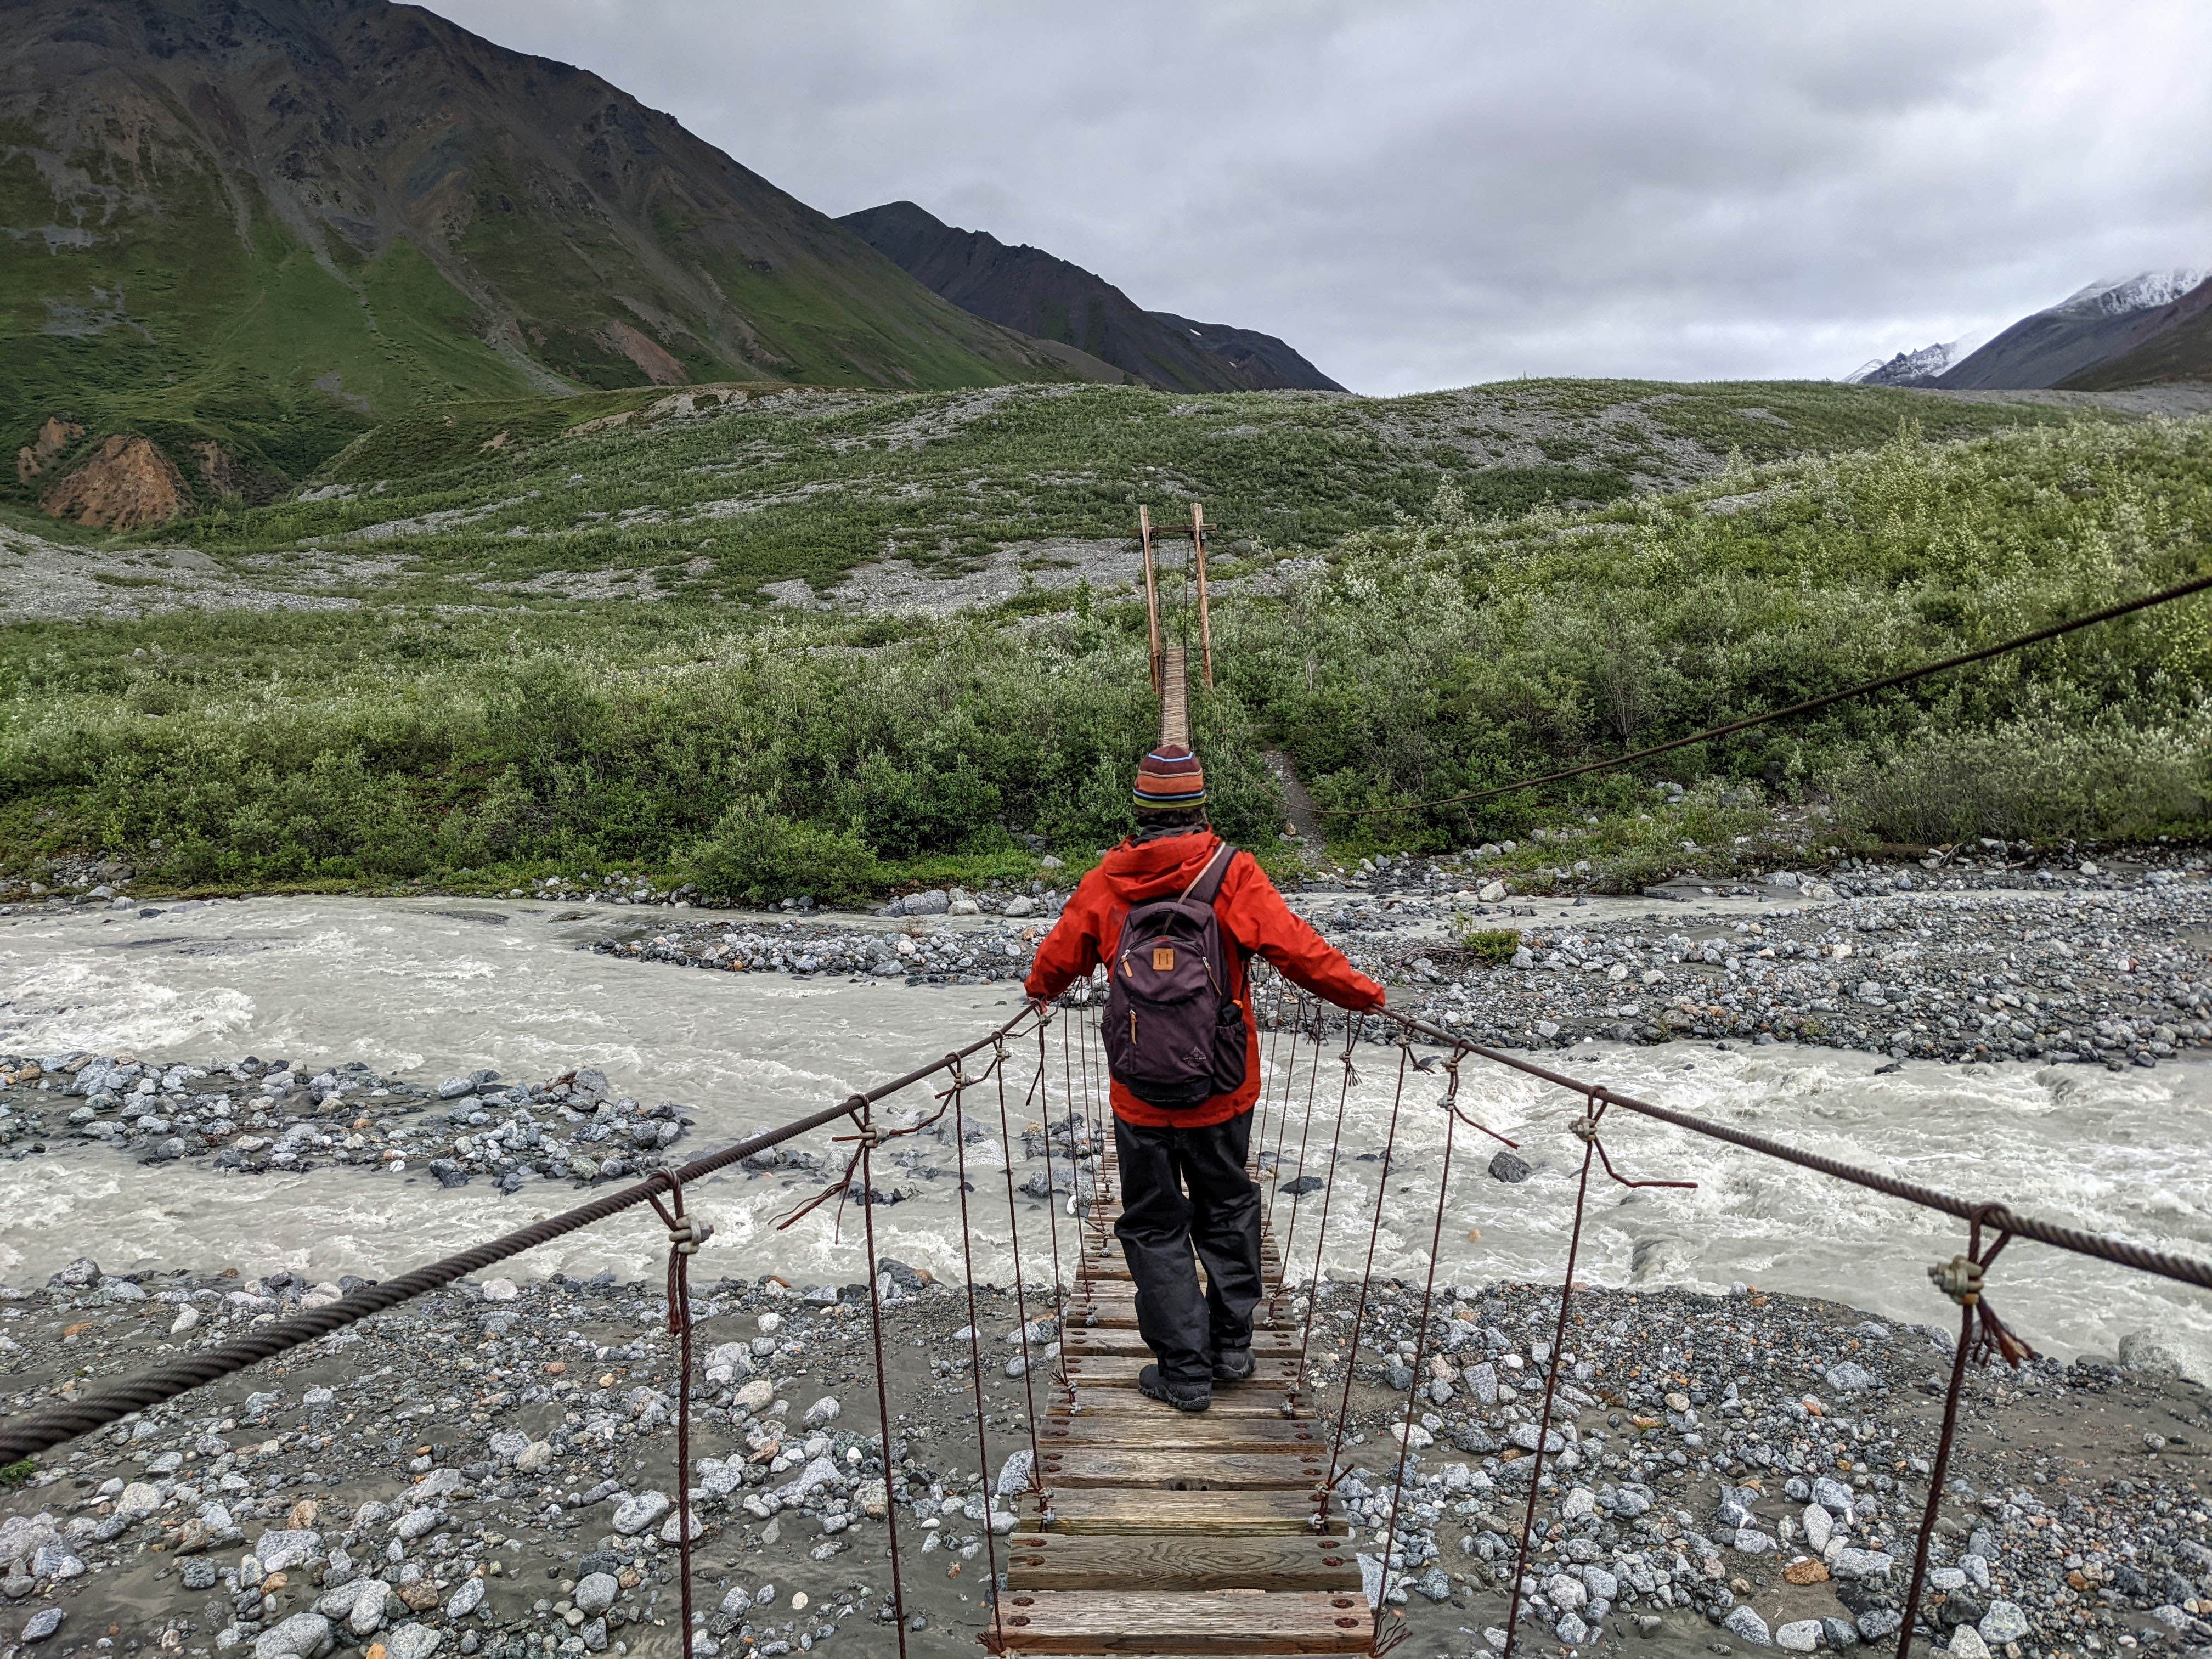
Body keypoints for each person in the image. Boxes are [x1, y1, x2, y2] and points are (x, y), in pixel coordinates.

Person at [1025, 742, 1384, 1412]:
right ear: (1198, 808)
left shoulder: (1106, 881)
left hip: (1140, 1094)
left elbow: (1058, 957)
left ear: (1138, 810)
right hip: (1221, 1088)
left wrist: (1039, 991)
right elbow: (1300, 951)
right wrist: (1367, 995)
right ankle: (1232, 1347)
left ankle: (1184, 1373)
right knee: (1228, 1205)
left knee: (1154, 1224)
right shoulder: (1233, 873)